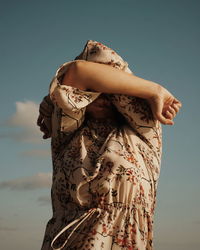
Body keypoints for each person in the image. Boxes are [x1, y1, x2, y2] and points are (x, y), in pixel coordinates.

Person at [37, 40, 182, 250]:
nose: (103, 96)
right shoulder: (66, 133)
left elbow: (90, 66)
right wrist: (156, 89)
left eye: (110, 90)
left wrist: (153, 93)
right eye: (95, 89)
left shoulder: (145, 134)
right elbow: (78, 71)